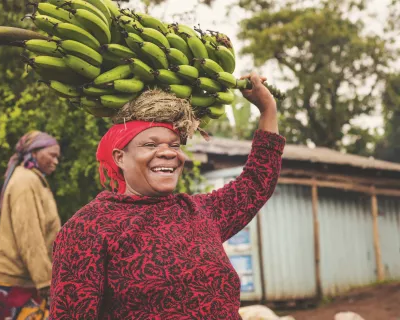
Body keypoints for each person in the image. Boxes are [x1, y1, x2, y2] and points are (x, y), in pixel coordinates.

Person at [50, 73, 285, 319]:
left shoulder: (198, 212)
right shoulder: (88, 229)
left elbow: (256, 182)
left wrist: (267, 109)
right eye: (150, 145)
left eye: (174, 145)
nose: (168, 153)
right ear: (120, 157)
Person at [0, 130, 61, 320]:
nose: (56, 161)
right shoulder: (25, 182)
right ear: (35, 152)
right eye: (52, 155)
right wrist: (45, 281)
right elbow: (29, 237)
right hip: (18, 281)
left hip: (27, 279)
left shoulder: (34, 180)